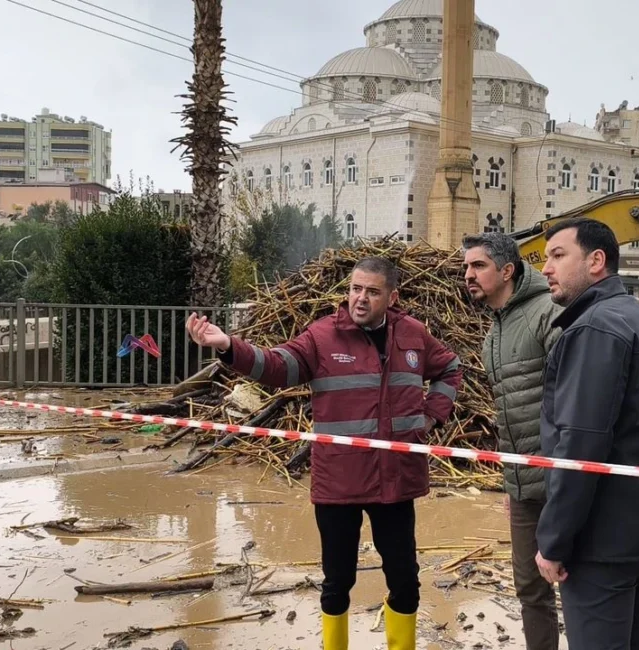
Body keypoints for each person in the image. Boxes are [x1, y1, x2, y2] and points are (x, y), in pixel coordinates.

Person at [185, 257, 463, 650]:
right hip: (339, 483)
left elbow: (451, 367)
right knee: (337, 584)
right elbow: (278, 366)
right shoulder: (322, 337)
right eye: (355, 289)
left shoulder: (414, 334)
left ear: (392, 296)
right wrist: (229, 347)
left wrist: (432, 416)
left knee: (405, 580)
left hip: (397, 481)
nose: (360, 299)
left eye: (371, 291)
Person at [533, 217, 639, 650]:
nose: (546, 268)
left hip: (605, 538)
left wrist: (554, 540)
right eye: (547, 258)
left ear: (597, 261)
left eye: (559, 256)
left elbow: (581, 443)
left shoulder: (595, 328)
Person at [462, 232, 563, 650]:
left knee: (574, 581)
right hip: (523, 485)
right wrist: (511, 479)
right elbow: (510, 415)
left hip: (562, 481)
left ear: (507, 271)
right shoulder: (493, 334)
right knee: (529, 585)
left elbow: (574, 400)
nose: (468, 275)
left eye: (478, 266)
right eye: (466, 267)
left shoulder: (548, 314)